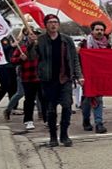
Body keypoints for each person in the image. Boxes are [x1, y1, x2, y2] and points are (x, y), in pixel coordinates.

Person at [32, 14, 82, 147]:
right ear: (45, 25)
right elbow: (32, 57)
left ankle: (64, 135)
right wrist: (33, 44)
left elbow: (74, 59)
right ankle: (53, 136)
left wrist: (78, 75)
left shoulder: (67, 40)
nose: (53, 25)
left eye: (55, 22)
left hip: (64, 78)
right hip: (48, 80)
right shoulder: (41, 40)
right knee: (50, 109)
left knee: (66, 106)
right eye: (50, 22)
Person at [79, 21, 110, 134]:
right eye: (97, 30)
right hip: (87, 75)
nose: (99, 32)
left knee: (98, 98)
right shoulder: (85, 43)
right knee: (88, 99)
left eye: (101, 30)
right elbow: (78, 58)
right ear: (92, 31)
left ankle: (98, 123)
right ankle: (86, 120)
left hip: (100, 75)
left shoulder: (107, 44)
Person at [11, 28, 43, 131]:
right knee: (29, 100)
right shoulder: (22, 48)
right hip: (28, 78)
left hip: (41, 78)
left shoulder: (42, 47)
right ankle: (28, 120)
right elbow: (13, 60)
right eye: (32, 34)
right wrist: (20, 58)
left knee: (44, 99)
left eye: (36, 35)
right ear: (28, 36)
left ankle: (47, 119)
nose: (34, 36)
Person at [0, 35, 18, 116]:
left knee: (13, 86)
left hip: (11, 65)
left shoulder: (11, 37)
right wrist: (11, 46)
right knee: (5, 85)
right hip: (1, 65)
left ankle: (13, 107)